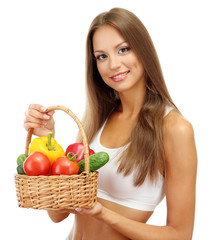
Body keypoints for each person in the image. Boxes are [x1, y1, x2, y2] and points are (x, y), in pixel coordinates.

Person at [24, 7, 197, 240]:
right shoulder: (98, 119)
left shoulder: (174, 128)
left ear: (143, 51)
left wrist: (103, 214)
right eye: (102, 56)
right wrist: (47, 141)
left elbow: (180, 235)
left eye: (123, 49)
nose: (113, 64)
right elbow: (57, 215)